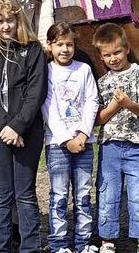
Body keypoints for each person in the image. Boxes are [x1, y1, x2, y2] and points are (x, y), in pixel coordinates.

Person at [0, 0, 47, 252]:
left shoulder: (33, 49)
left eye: (10, 20)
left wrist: (17, 126)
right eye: (0, 21)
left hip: (29, 130)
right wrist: (5, 126)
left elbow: (36, 92)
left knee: (25, 195)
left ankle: (30, 248)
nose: (6, 26)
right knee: (2, 196)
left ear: (19, 20)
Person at [93, 23, 139, 253]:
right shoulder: (102, 83)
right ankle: (107, 240)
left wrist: (128, 103)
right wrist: (114, 106)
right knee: (107, 191)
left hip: (137, 144)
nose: (113, 58)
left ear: (127, 48)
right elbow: (98, 119)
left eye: (117, 52)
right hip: (109, 145)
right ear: (101, 56)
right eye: (107, 55)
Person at [41, 23, 100, 253]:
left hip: (84, 142)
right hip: (57, 144)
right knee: (59, 195)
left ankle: (83, 242)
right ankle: (58, 244)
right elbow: (49, 107)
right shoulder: (47, 71)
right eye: (59, 44)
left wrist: (83, 134)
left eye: (69, 44)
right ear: (50, 45)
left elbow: (92, 101)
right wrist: (67, 139)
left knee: (84, 194)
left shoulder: (83, 70)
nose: (64, 49)